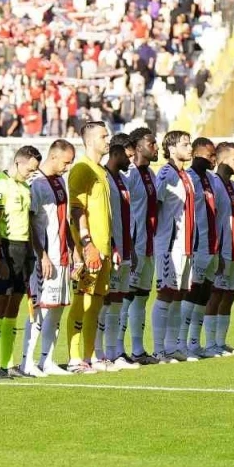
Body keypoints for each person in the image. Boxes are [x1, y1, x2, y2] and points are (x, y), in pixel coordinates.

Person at [22, 139, 78, 378]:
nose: (67, 167)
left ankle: (47, 360)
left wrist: (74, 248)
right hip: (44, 258)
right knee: (39, 309)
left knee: (56, 310)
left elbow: (65, 220)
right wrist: (41, 254)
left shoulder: (60, 181)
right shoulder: (36, 183)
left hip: (62, 255)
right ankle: (27, 362)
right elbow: (29, 222)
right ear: (54, 157)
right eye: (66, 162)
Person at [0, 145, 41, 378]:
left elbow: (28, 223)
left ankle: (7, 365)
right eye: (30, 169)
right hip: (5, 248)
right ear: (19, 162)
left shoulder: (25, 188)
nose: (31, 173)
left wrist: (33, 253)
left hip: (23, 251)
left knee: (13, 309)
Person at [66, 121, 112, 374]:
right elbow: (76, 210)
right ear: (91, 140)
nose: (108, 139)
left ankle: (90, 355)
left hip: (104, 248)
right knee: (82, 303)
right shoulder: (82, 168)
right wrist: (86, 244)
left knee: (95, 304)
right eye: (104, 136)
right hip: (90, 249)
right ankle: (74, 359)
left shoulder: (100, 170)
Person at [151, 130, 195, 363]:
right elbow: (155, 206)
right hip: (169, 243)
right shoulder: (166, 174)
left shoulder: (185, 175)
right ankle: (159, 349)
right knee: (166, 293)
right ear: (171, 149)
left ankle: (172, 347)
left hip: (185, 244)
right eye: (185, 144)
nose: (190, 148)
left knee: (179, 295)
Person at [100, 133, 139, 371]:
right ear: (116, 153)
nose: (131, 161)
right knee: (105, 302)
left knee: (118, 302)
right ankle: (99, 352)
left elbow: (127, 217)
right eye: (128, 156)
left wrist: (131, 248)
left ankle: (115, 352)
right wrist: (112, 246)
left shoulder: (122, 180)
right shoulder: (103, 178)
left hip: (125, 248)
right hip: (110, 249)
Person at [201, 142, 234, 356]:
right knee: (215, 295)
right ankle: (209, 344)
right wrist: (216, 251)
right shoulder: (214, 184)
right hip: (220, 249)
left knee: (229, 295)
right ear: (223, 159)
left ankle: (220, 342)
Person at [182, 138, 220, 360]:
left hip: (211, 244)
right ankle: (181, 343)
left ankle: (194, 343)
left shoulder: (210, 180)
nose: (213, 158)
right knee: (192, 292)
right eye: (209, 155)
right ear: (196, 155)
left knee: (204, 293)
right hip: (196, 245)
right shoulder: (189, 178)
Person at [124, 128, 160, 365]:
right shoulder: (130, 174)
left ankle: (137, 349)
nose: (155, 147)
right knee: (125, 298)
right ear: (138, 147)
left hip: (149, 245)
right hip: (134, 245)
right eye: (151, 143)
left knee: (141, 297)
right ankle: (114, 350)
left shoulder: (152, 175)